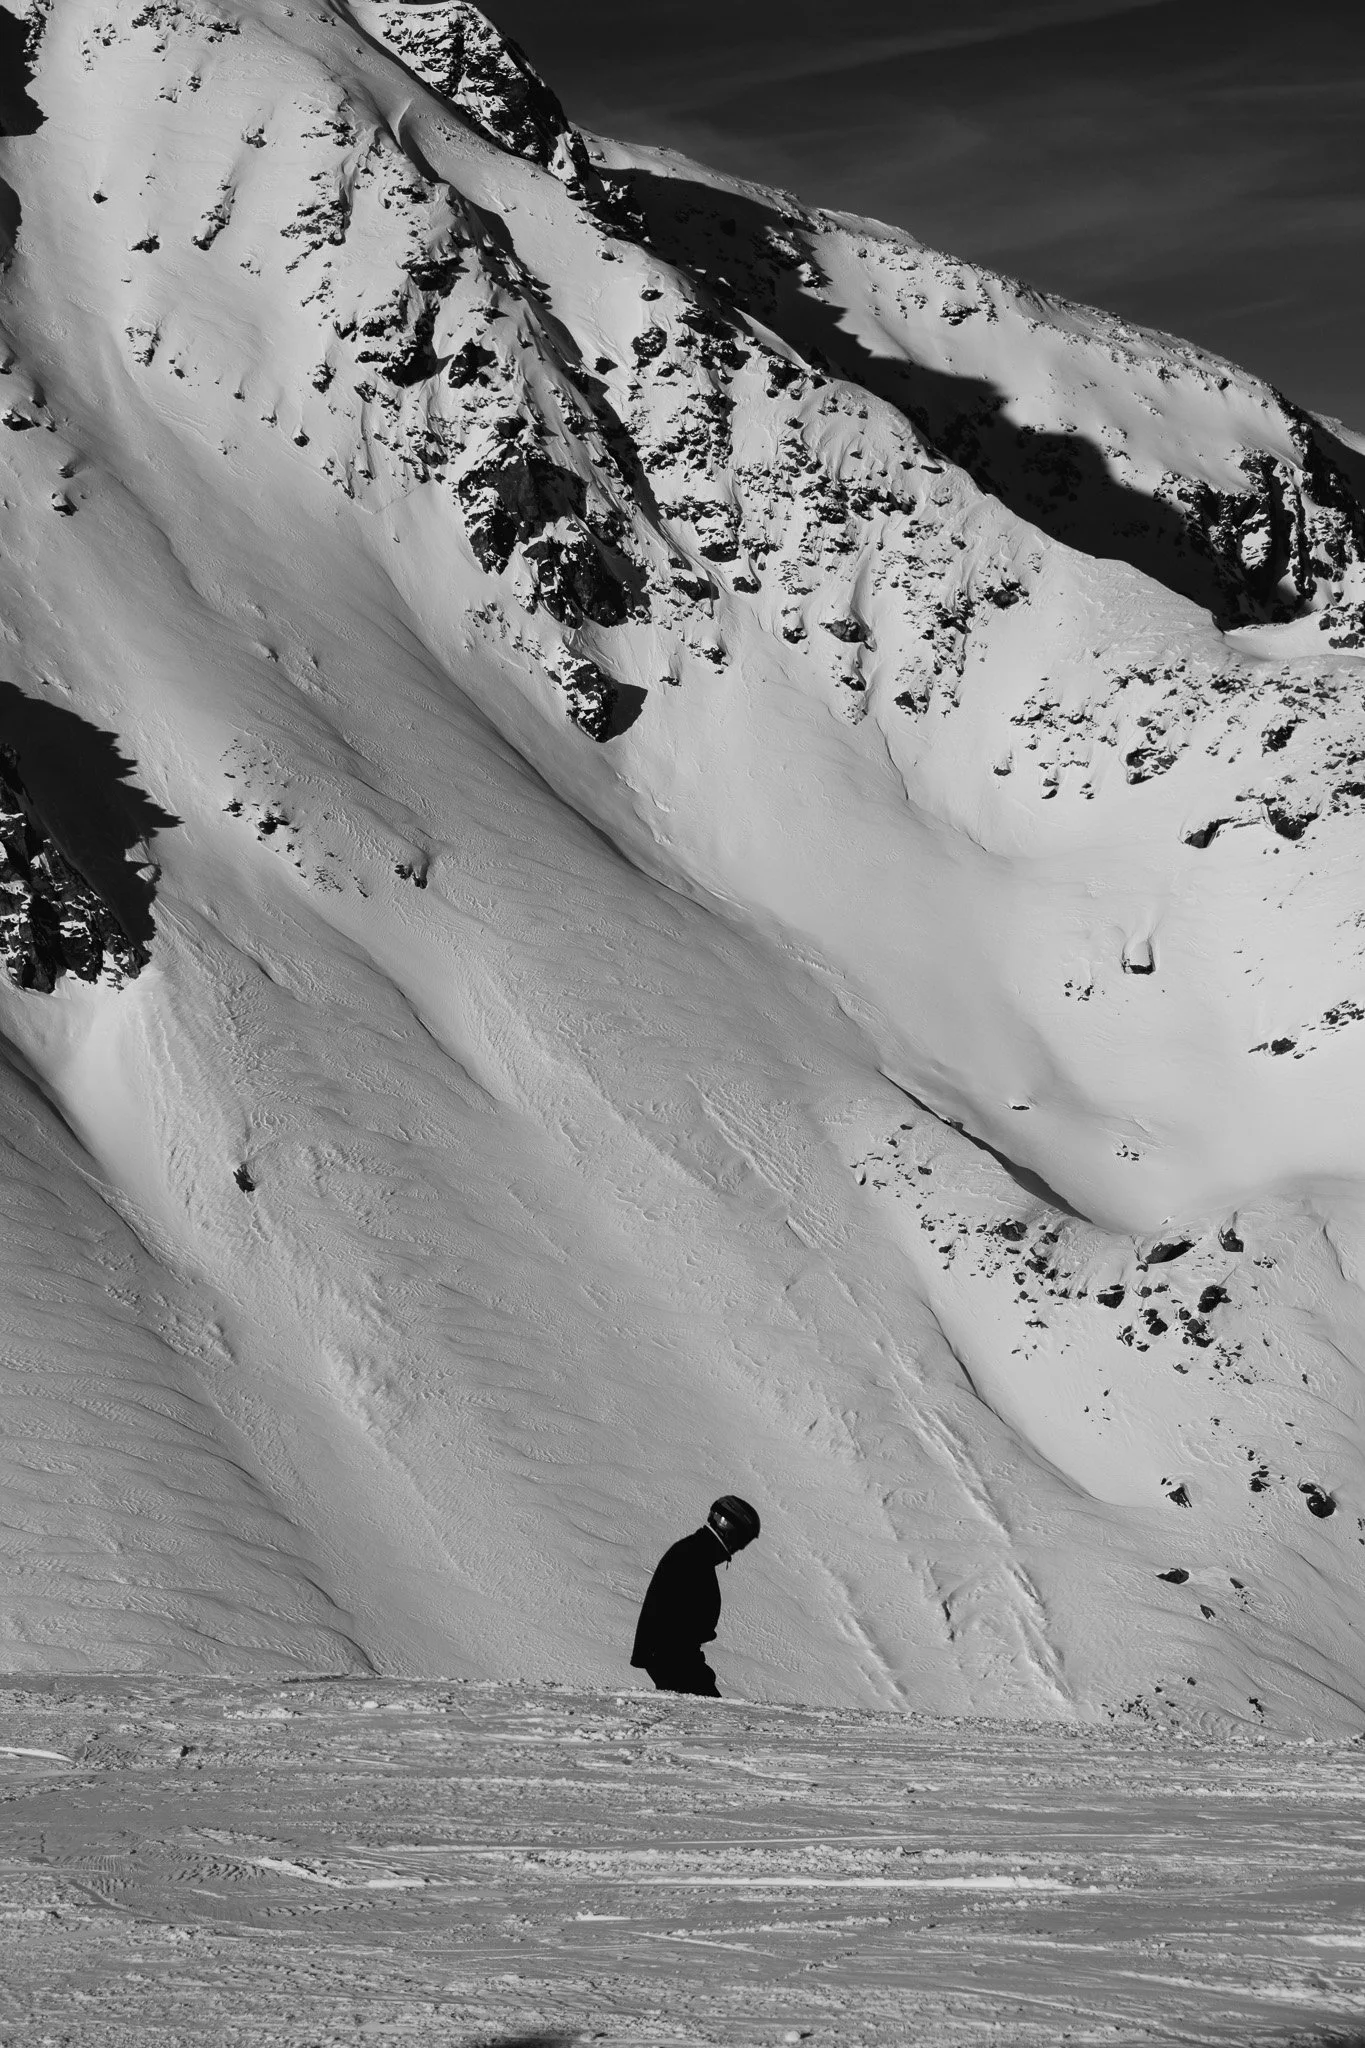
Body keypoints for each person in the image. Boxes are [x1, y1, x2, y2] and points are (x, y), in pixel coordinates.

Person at [630, 1495, 761, 1696]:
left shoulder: (696, 1551)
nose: (739, 1549)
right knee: (712, 1718)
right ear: (731, 1532)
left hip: (675, 1655)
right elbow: (673, 1616)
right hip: (673, 1657)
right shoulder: (694, 1555)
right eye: (743, 1540)